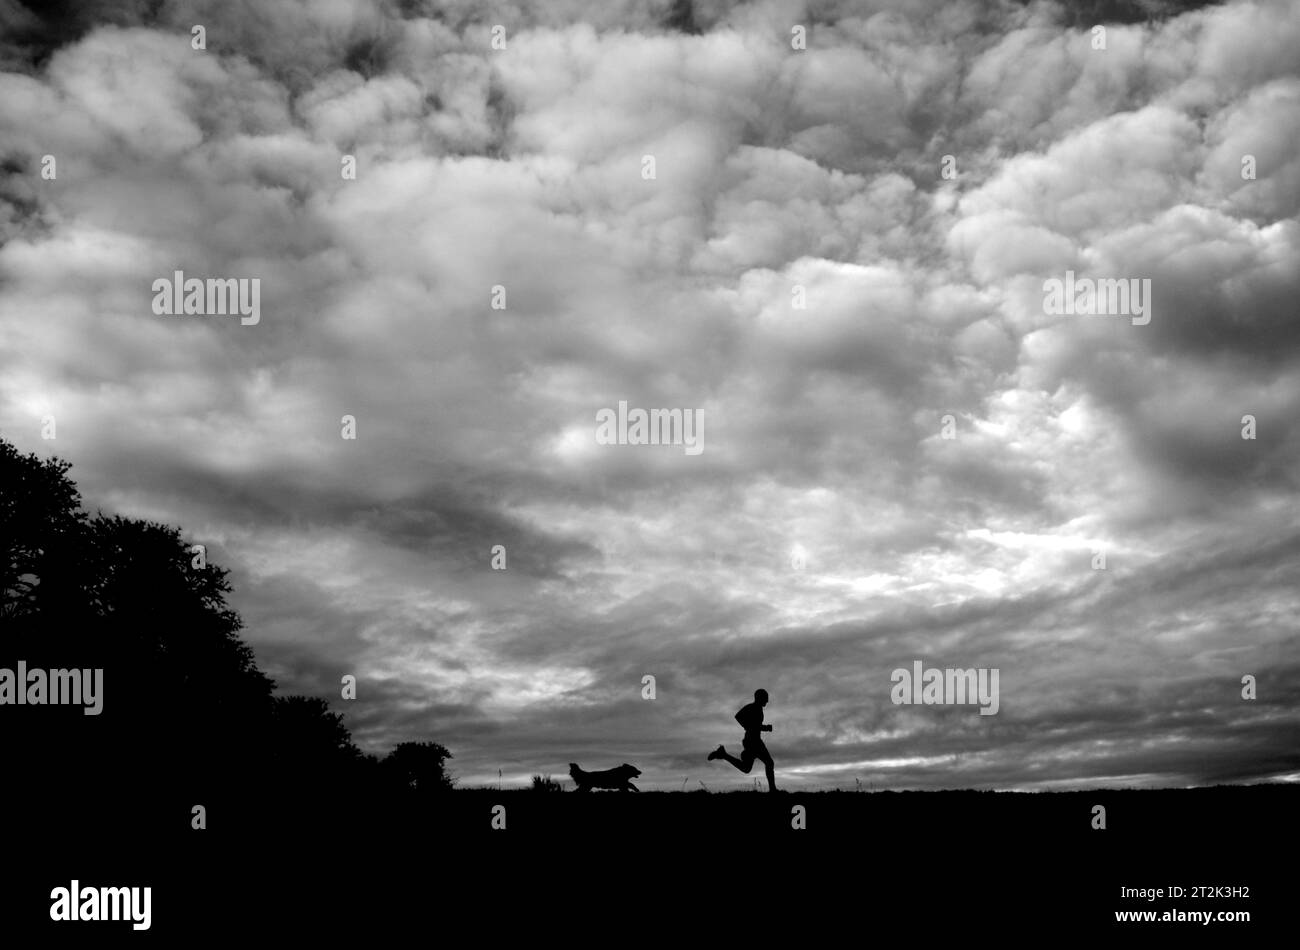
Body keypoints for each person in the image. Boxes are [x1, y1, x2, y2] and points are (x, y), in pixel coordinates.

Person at [708, 688, 777, 791]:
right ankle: (773, 790)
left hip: (753, 740)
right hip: (753, 741)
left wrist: (757, 727)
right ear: (759, 698)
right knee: (769, 763)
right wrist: (763, 727)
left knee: (746, 768)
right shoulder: (753, 707)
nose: (767, 701)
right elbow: (739, 717)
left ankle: (723, 755)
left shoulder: (758, 709)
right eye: (765, 698)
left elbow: (754, 725)